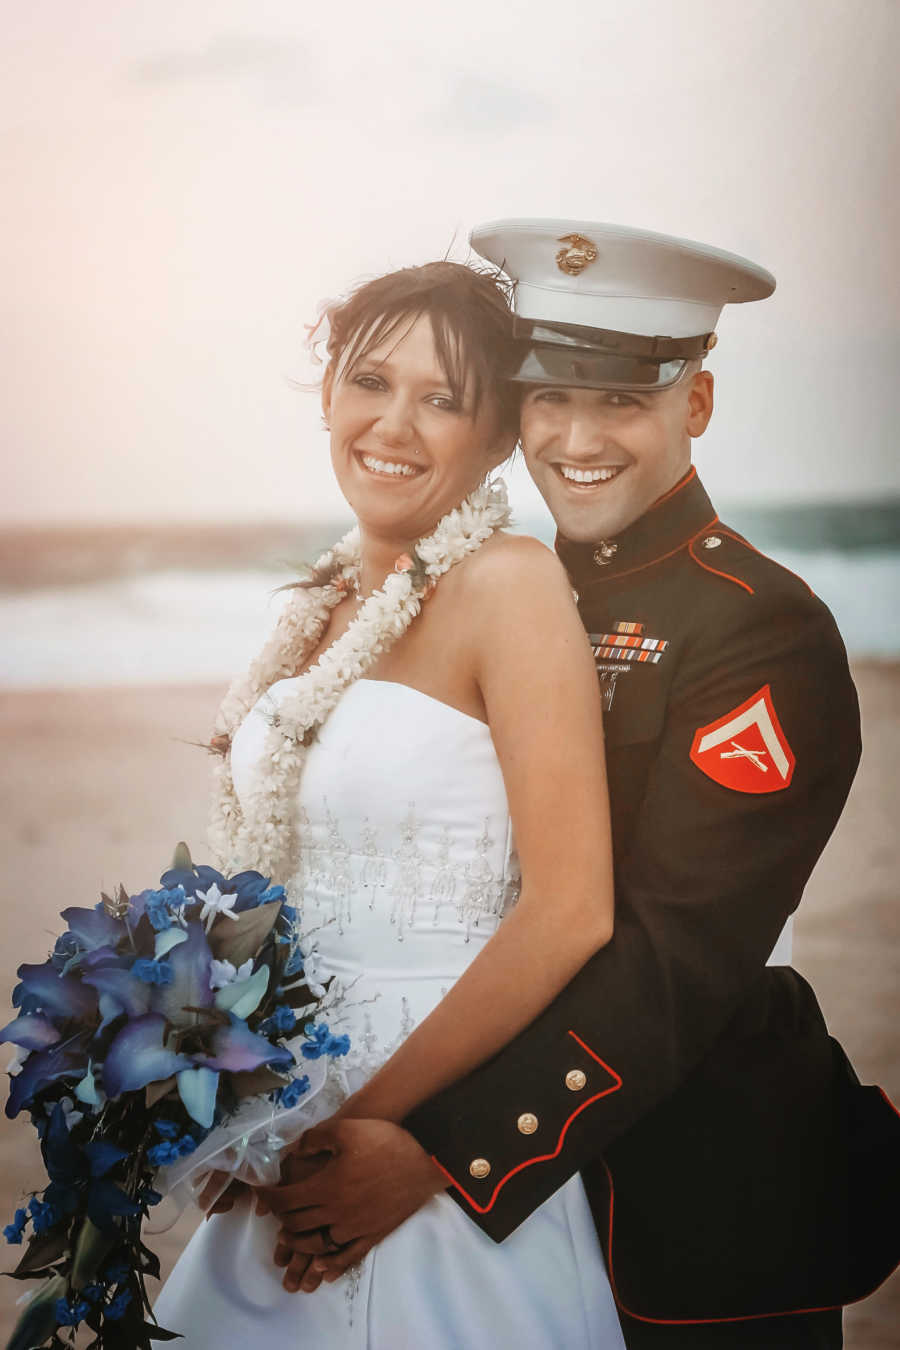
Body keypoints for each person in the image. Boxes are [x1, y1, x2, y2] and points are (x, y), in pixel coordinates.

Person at [267, 222, 900, 1348]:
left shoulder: (758, 626)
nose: (575, 436)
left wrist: (443, 1149)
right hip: (515, 1202)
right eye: (548, 398)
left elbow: (677, 954)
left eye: (620, 401)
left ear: (695, 404)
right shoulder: (493, 591)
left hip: (692, 1206)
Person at [153, 258, 633, 1347]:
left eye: (444, 398)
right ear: (328, 394)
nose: (395, 424)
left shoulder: (507, 583)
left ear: (500, 435)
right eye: (370, 381)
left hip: (428, 1109)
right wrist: (224, 1097)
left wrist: (382, 1133)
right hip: (287, 1117)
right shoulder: (317, 604)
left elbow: (570, 912)